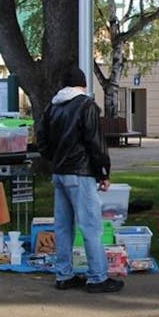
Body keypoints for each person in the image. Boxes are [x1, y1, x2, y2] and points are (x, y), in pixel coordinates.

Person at [37, 67, 123, 293]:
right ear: (83, 85)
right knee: (91, 226)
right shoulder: (86, 106)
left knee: (63, 226)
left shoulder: (52, 107)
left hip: (59, 172)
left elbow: (42, 141)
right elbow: (95, 142)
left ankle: (64, 275)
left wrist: (54, 159)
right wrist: (103, 172)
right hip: (81, 172)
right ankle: (97, 277)